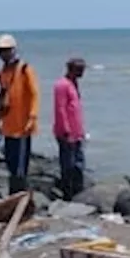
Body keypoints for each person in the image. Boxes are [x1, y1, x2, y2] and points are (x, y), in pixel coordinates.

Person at [0, 34, 39, 194]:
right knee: (11, 164)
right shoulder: (3, 72)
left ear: (13, 50)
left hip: (22, 127)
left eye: (6, 50)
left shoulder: (25, 69)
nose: (3, 54)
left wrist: (32, 117)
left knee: (20, 168)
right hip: (8, 126)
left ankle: (20, 197)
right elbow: (2, 96)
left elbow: (34, 94)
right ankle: (13, 197)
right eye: (0, 51)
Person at [52, 57, 87, 200]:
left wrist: (81, 131)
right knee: (68, 165)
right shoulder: (62, 85)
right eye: (80, 70)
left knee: (79, 163)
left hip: (77, 131)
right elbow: (60, 108)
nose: (82, 73)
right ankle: (68, 194)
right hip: (66, 132)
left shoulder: (74, 84)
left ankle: (78, 192)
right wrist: (66, 129)